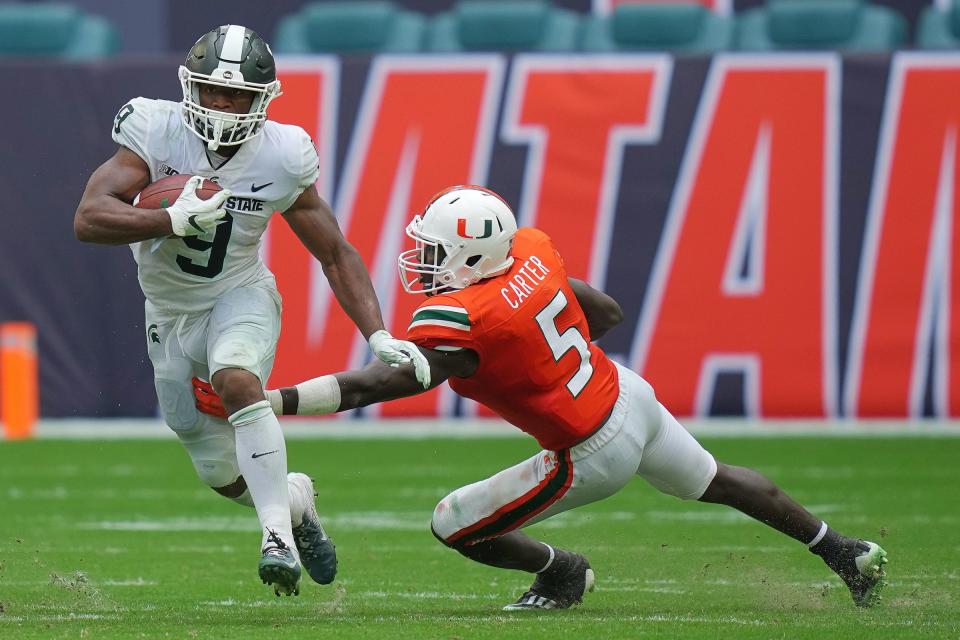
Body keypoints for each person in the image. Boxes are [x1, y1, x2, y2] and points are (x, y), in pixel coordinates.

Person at [194, 185, 888, 610]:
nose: (424, 263)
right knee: (716, 480)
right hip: (628, 396)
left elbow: (380, 383)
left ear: (469, 255)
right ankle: (844, 551)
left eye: (434, 252)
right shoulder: (527, 252)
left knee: (452, 522)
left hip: (589, 446)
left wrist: (270, 400)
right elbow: (603, 310)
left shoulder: (466, 319)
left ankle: (562, 575)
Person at [73, 25, 429, 597]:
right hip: (167, 312)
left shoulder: (282, 155)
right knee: (215, 468)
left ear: (264, 98)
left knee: (236, 379)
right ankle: (293, 503)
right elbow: (89, 218)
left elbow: (335, 251)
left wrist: (377, 332)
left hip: (240, 294)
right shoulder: (155, 130)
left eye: (237, 94)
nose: (223, 104)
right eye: (213, 90)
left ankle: (276, 540)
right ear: (190, 87)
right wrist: (170, 218)